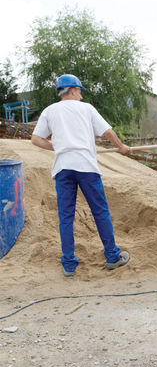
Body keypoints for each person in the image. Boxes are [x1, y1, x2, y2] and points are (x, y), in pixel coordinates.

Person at [31, 74, 131, 277]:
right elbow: (108, 132)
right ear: (73, 90)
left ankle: (68, 264)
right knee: (100, 211)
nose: (81, 96)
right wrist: (121, 147)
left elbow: (35, 139)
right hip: (85, 166)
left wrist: (56, 147)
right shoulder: (86, 109)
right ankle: (112, 256)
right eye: (80, 92)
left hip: (63, 167)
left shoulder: (50, 111)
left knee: (66, 216)